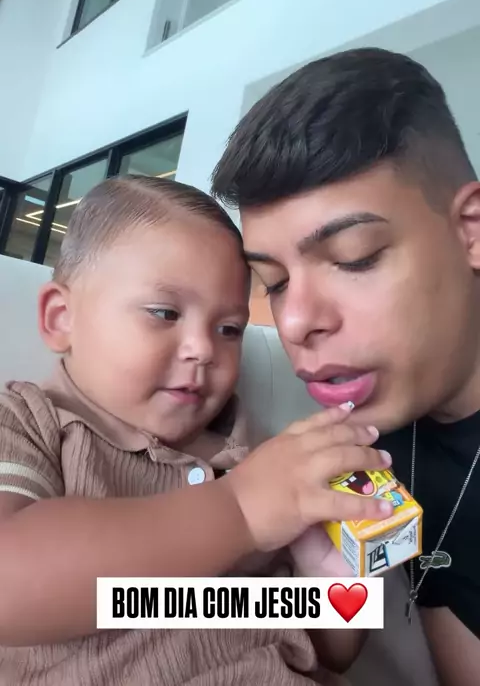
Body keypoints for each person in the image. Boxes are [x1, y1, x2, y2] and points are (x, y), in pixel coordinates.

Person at [0, 174, 393, 686]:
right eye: (164, 313)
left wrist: (334, 578)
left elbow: (322, 650)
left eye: (229, 329)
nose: (204, 349)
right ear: (60, 318)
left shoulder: (254, 460)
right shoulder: (27, 420)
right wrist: (239, 510)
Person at [211, 46, 480, 686]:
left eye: (354, 256)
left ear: (471, 231)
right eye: (273, 283)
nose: (295, 322)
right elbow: (335, 647)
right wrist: (323, 587)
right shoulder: (369, 441)